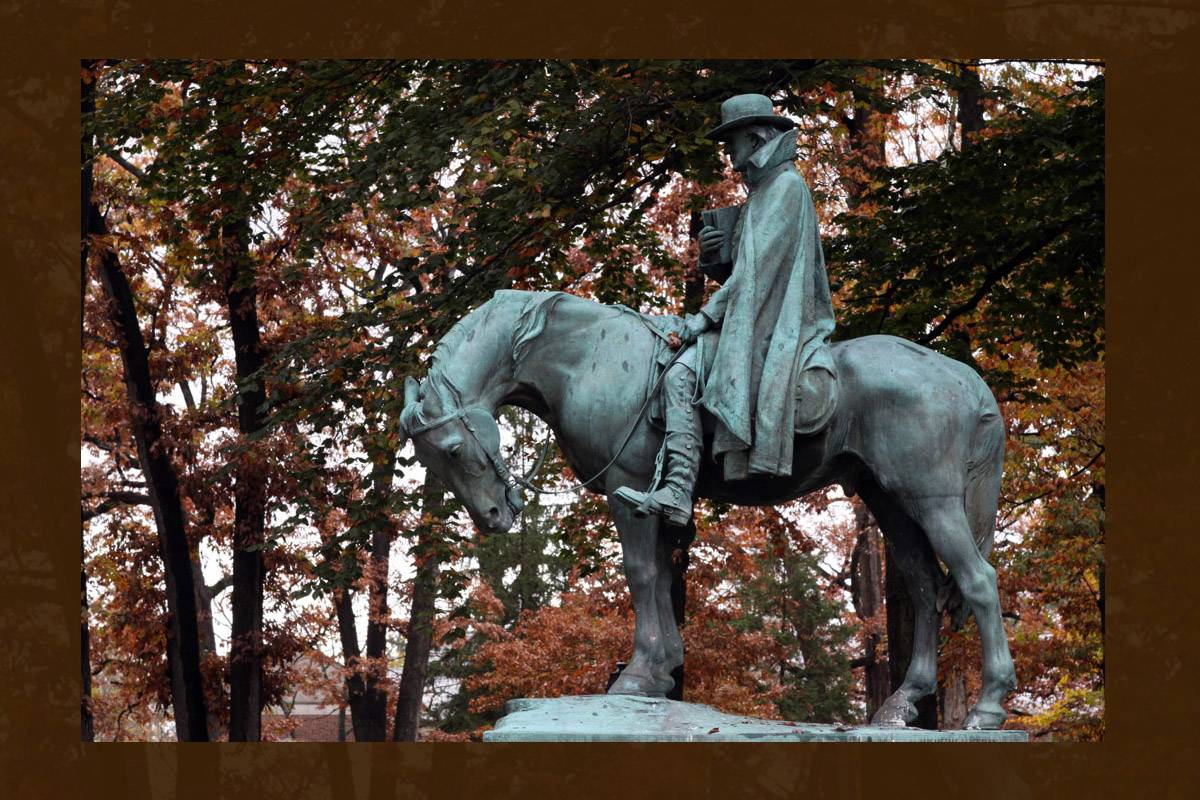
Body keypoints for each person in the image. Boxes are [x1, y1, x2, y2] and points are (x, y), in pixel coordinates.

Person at [613, 93, 837, 525]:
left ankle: (677, 490)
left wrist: (702, 318)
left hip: (775, 327)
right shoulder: (767, 191)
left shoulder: (785, 188)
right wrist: (713, 257)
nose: (728, 153)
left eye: (731, 142)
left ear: (754, 139)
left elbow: (756, 278)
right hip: (758, 316)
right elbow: (748, 274)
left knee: (681, 372)